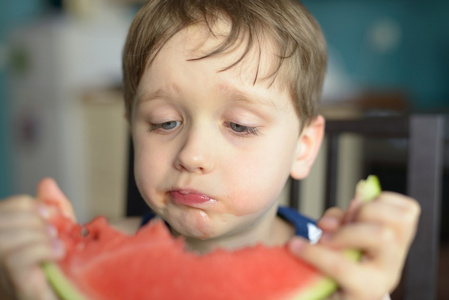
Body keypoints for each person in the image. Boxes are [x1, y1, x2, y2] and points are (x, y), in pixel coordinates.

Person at [0, 0, 420, 299]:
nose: (192, 154)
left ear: (303, 148)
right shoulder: (93, 255)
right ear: (133, 130)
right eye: (165, 122)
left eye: (240, 125)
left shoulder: (336, 271)